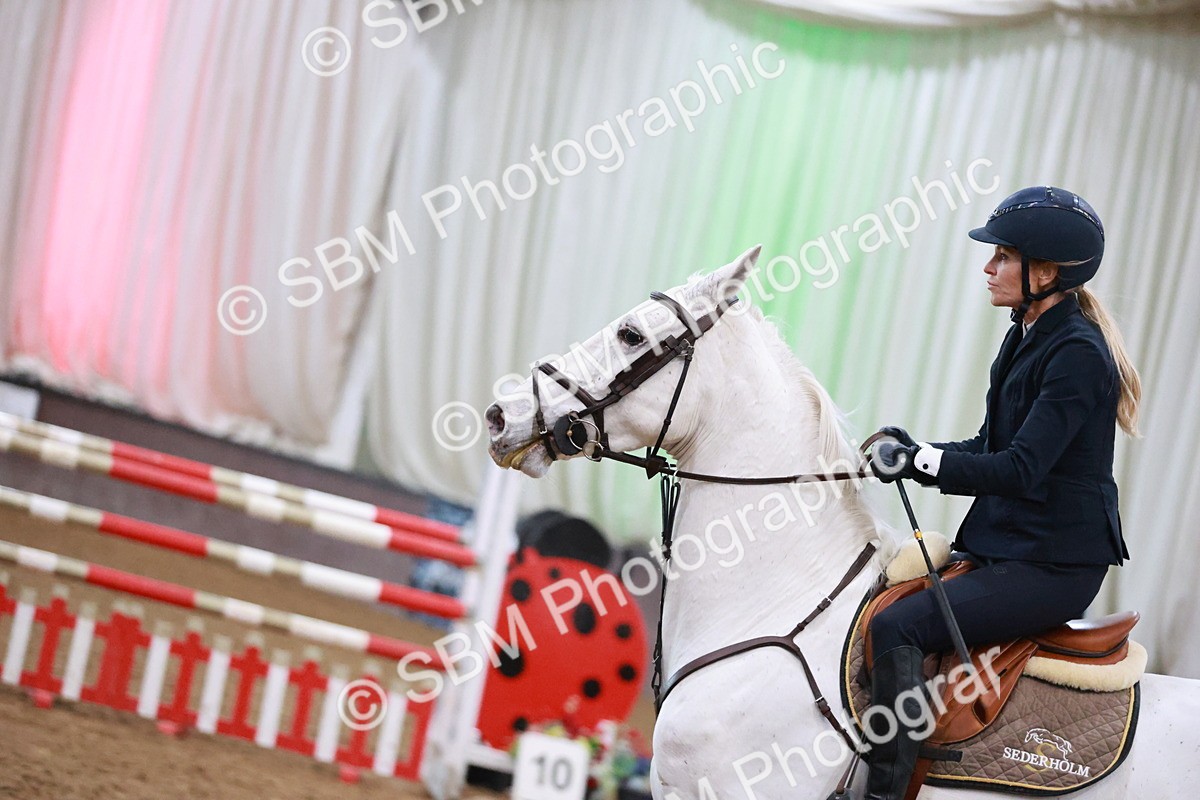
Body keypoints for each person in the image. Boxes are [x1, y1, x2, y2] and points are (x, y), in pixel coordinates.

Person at [862, 186, 1142, 800]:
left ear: (1045, 272)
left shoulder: (1078, 354)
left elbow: (1019, 470)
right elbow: (992, 443)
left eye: (1002, 256)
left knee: (900, 629)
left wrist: (924, 464)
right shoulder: (1026, 333)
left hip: (1052, 564)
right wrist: (916, 454)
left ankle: (884, 793)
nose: (988, 269)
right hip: (1014, 544)